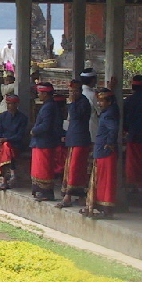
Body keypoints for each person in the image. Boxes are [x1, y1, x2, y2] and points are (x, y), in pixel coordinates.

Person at [82, 88, 119, 219]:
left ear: (109, 102)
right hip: (102, 151)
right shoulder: (108, 112)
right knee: (100, 180)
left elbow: (113, 129)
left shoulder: (109, 113)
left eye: (102, 101)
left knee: (106, 181)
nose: (99, 104)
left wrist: (109, 142)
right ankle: (98, 206)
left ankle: (107, 209)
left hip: (105, 151)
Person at [57, 79, 91, 208]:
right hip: (73, 137)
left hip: (80, 138)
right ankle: (79, 195)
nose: (72, 93)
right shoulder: (76, 103)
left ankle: (69, 196)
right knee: (71, 167)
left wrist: (72, 103)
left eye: (74, 91)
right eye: (70, 91)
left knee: (76, 168)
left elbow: (76, 116)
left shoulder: (83, 103)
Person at [30, 82, 60, 201]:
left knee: (44, 168)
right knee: (40, 168)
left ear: (45, 94)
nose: (38, 94)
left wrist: (34, 130)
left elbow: (46, 125)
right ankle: (40, 190)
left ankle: (47, 192)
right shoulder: (48, 105)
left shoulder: (49, 107)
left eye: (40, 92)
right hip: (42, 142)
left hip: (45, 142)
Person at [0, 94, 28, 190]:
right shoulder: (2, 116)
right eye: (8, 104)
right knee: (5, 147)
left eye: (11, 104)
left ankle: (4, 180)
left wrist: (6, 139)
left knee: (6, 147)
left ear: (16, 104)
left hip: (16, 144)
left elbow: (20, 136)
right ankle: (12, 172)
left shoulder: (22, 118)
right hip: (4, 144)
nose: (9, 106)